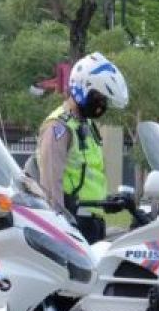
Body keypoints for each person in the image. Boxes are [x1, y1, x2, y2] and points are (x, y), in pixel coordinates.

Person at [35, 52, 129, 242]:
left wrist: (107, 202)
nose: (102, 105)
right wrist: (60, 228)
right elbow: (51, 186)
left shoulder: (85, 125)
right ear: (83, 88)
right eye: (99, 97)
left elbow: (87, 177)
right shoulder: (58, 127)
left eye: (105, 100)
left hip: (93, 221)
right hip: (72, 222)